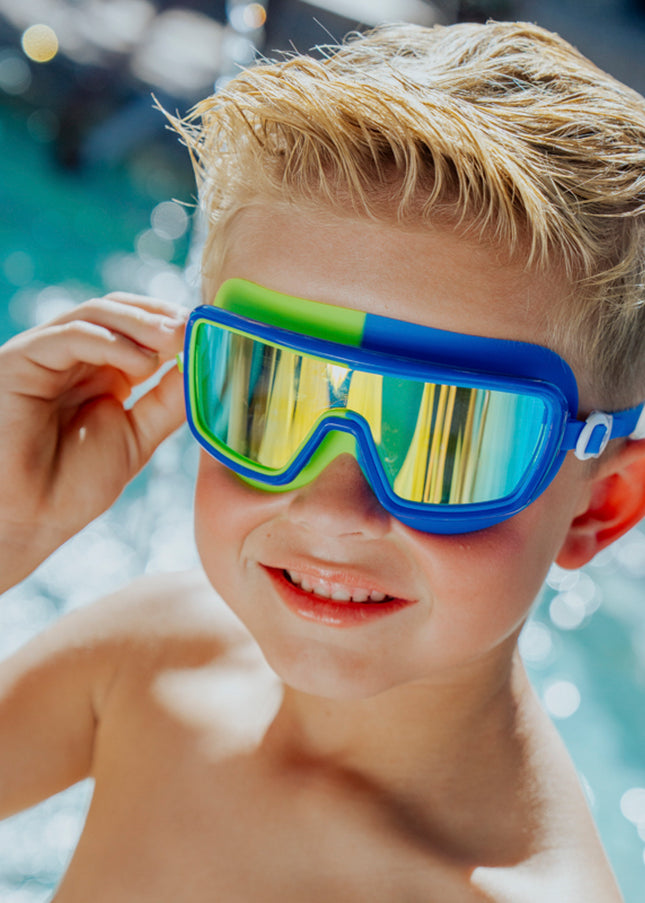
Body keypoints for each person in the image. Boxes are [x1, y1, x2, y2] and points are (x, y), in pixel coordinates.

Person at [1, 19, 645, 902]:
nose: (332, 506)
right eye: (271, 395)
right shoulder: (154, 656)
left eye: (446, 437)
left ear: (597, 505)